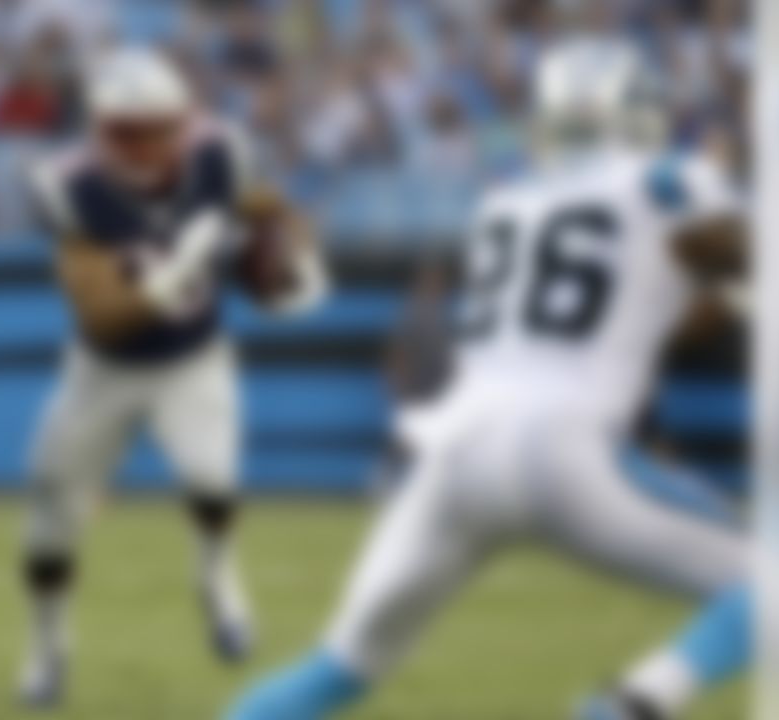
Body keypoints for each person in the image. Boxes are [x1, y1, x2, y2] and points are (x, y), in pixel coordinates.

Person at [225, 39, 748, 720]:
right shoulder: (668, 182)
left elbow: (631, 309)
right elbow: (745, 260)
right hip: (563, 447)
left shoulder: (506, 200)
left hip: (454, 452)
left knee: (338, 668)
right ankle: (636, 703)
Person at [19, 45, 329, 708]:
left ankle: (218, 582)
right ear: (98, 129)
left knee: (211, 479)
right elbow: (100, 314)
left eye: (160, 127)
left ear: (183, 120)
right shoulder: (70, 185)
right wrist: (175, 273)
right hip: (103, 370)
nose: (147, 145)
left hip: (193, 357)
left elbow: (268, 211)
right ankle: (49, 650)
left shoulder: (219, 153)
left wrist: (289, 253)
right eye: (127, 131)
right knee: (51, 524)